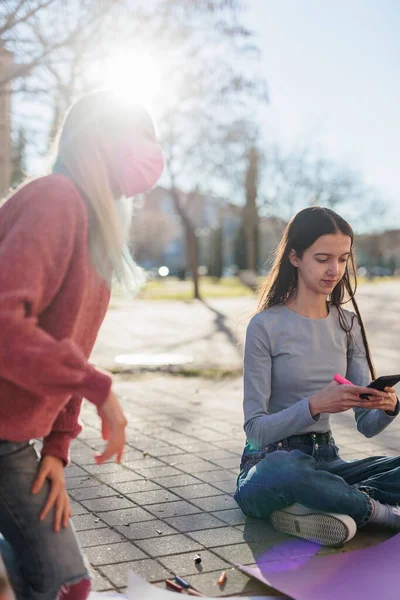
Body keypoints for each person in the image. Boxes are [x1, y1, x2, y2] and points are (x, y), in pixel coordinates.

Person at [0, 90, 164, 599]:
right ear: (101, 138)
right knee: (64, 584)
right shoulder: (55, 198)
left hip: (11, 436)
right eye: (143, 136)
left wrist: (57, 445)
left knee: (49, 578)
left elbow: (72, 349)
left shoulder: (97, 235)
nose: (152, 154)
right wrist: (100, 392)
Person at [235, 207, 400, 547]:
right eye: (323, 258)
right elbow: (255, 429)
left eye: (342, 259)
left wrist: (387, 406)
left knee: (317, 477)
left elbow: (365, 425)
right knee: (285, 472)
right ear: (294, 256)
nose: (334, 270)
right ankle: (378, 512)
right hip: (270, 462)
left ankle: (328, 502)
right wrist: (314, 405)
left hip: (328, 461)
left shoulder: (347, 324)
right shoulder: (264, 326)